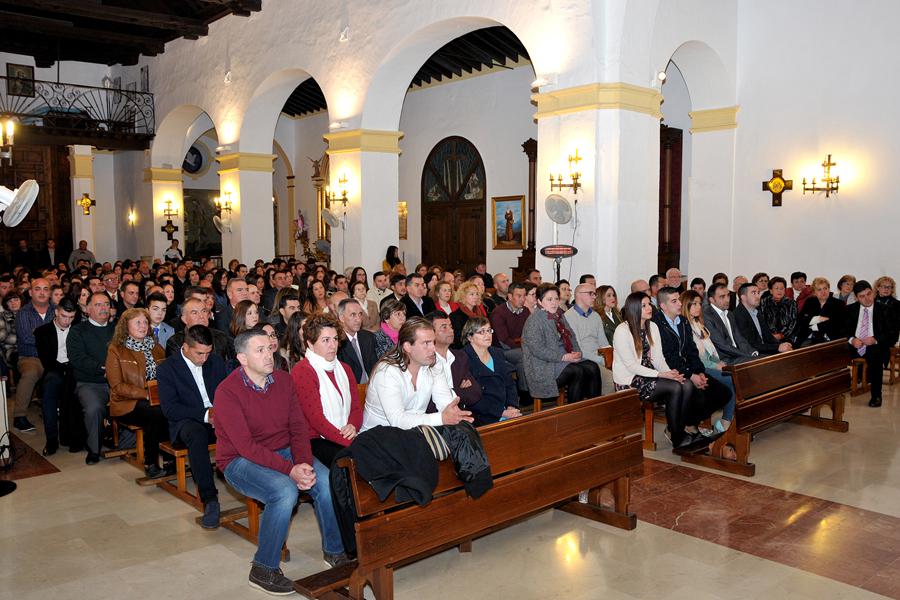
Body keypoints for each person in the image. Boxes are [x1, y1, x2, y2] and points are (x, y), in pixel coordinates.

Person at [215, 329, 349, 593]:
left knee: (325, 481)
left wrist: (303, 463)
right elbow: (246, 446)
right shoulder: (227, 392)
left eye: (270, 348)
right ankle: (263, 569)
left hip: (285, 451)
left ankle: (335, 552)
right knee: (284, 491)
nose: (269, 355)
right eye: (260, 350)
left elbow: (298, 428)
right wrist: (290, 470)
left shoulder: (284, 381)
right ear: (242, 358)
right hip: (239, 460)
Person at [613, 292, 716, 453]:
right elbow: (631, 366)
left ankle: (678, 431)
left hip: (650, 375)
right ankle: (677, 437)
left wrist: (671, 373)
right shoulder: (622, 330)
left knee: (685, 384)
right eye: (644, 306)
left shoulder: (652, 327)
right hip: (630, 380)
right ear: (634, 309)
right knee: (674, 387)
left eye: (649, 304)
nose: (649, 308)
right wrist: (662, 375)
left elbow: (658, 359)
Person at [157, 324, 227, 529]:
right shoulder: (167, 369)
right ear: (185, 347)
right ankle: (210, 499)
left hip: (217, 417)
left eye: (208, 353)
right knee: (197, 435)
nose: (204, 358)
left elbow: (227, 392)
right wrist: (205, 414)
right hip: (186, 422)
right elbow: (170, 409)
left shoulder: (215, 361)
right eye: (199, 353)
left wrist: (222, 412)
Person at [362, 317, 473, 430]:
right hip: (380, 435)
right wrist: (441, 418)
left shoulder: (434, 363)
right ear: (407, 347)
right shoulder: (387, 372)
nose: (433, 349)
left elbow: (444, 401)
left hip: (416, 433)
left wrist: (454, 414)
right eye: (426, 343)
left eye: (433, 342)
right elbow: (397, 420)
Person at [652, 288, 732, 434]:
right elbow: (668, 357)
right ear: (663, 306)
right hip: (669, 371)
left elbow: (692, 351)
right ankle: (679, 428)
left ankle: (688, 424)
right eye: (674, 301)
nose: (679, 304)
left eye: (679, 300)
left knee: (723, 393)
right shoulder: (656, 324)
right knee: (698, 395)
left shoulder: (683, 321)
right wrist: (691, 375)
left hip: (689, 369)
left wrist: (699, 372)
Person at [291, 313, 362, 470]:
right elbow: (316, 420)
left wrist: (352, 426)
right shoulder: (303, 371)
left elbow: (356, 408)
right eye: (325, 340)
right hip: (315, 439)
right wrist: (348, 441)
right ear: (310, 343)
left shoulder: (345, 369)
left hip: (345, 434)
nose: (333, 345)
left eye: (335, 339)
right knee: (357, 458)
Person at [106, 308, 169, 478]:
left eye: (145, 322)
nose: (143, 326)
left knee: (169, 409)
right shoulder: (116, 350)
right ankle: (151, 463)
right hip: (126, 403)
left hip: (156, 399)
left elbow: (167, 376)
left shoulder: (156, 347)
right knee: (155, 413)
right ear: (126, 326)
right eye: (138, 322)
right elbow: (117, 386)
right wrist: (145, 394)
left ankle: (170, 459)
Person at [522, 283, 602, 404]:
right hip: (543, 366)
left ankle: (593, 407)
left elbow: (571, 336)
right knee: (577, 371)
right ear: (539, 301)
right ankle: (574, 412)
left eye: (556, 299)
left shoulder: (558, 315)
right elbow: (538, 350)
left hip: (561, 360)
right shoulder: (534, 320)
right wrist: (563, 357)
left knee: (592, 367)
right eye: (549, 299)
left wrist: (576, 352)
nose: (554, 303)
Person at [67, 292, 115, 464]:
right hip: (90, 383)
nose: (103, 308)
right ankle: (94, 450)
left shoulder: (118, 330)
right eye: (98, 304)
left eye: (106, 304)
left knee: (138, 403)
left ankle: (130, 444)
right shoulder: (77, 331)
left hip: (118, 382)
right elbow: (77, 358)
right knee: (94, 408)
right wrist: (102, 368)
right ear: (87, 309)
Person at [681, 290, 736, 436]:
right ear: (685, 305)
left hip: (707, 364)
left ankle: (727, 420)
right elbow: (696, 357)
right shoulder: (684, 326)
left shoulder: (698, 324)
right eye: (694, 304)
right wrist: (716, 366)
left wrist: (719, 362)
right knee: (731, 379)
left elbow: (709, 353)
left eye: (699, 303)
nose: (698, 307)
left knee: (735, 375)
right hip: (697, 367)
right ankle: (725, 422)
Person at [34, 298, 78, 455]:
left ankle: (74, 437)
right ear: (56, 312)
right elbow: (47, 361)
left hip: (75, 369)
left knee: (78, 389)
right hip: (54, 369)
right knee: (49, 390)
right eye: (64, 316)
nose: (67, 321)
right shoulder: (42, 332)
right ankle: (52, 440)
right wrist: (65, 370)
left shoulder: (78, 329)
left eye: (71, 317)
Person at [459, 316, 521, 426]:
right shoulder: (463, 359)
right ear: (470, 337)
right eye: (482, 332)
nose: (487, 335)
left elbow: (510, 384)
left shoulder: (497, 353)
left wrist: (511, 406)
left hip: (506, 410)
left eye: (489, 330)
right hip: (482, 415)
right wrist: (501, 412)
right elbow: (472, 397)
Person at [13, 278, 55, 432]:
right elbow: (27, 338)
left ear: (50, 293)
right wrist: (50, 338)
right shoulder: (23, 313)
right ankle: (19, 417)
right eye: (38, 289)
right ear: (30, 292)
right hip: (31, 357)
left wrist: (38, 334)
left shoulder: (57, 310)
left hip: (55, 356)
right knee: (30, 373)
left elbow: (64, 334)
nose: (42, 293)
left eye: (46, 289)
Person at [843, 281, 893, 408]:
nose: (867, 298)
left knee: (876, 356)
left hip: (875, 345)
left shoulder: (885, 309)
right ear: (856, 298)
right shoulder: (850, 309)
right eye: (862, 296)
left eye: (869, 294)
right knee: (831, 353)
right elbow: (842, 330)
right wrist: (852, 340)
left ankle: (876, 395)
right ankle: (831, 390)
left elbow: (891, 333)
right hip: (854, 345)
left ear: (873, 292)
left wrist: (875, 339)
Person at [702, 283, 758, 365]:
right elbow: (722, 344)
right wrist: (748, 356)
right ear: (712, 300)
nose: (727, 300)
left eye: (728, 295)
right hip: (724, 359)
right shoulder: (706, 316)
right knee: (760, 362)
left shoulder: (730, 314)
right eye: (722, 297)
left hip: (738, 355)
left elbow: (739, 339)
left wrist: (752, 352)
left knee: (767, 359)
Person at [489, 282, 529, 395]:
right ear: (510, 296)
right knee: (524, 355)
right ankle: (526, 392)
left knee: (526, 358)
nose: (523, 299)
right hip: (501, 350)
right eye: (519, 296)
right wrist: (525, 347)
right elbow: (503, 341)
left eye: (524, 295)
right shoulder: (498, 313)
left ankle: (526, 391)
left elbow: (530, 333)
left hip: (520, 347)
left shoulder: (526, 311)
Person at [166, 297, 235, 361]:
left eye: (204, 311)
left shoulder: (221, 337)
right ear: (184, 319)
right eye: (194, 313)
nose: (201, 316)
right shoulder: (175, 342)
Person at [732, 283, 792, 354]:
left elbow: (768, 337)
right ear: (743, 297)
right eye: (753, 293)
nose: (758, 296)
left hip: (764, 350)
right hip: (752, 354)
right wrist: (777, 347)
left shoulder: (757, 312)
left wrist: (782, 345)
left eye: (758, 293)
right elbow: (749, 345)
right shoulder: (738, 315)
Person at [564, 283, 611, 367]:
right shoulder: (568, 317)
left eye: (595, 294)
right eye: (590, 293)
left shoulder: (595, 316)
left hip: (600, 359)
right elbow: (577, 349)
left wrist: (610, 358)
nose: (594, 297)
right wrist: (602, 361)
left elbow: (604, 343)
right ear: (578, 295)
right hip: (585, 361)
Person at [336, 298, 377, 385]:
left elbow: (375, 367)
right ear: (342, 318)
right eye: (353, 315)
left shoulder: (368, 337)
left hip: (372, 385)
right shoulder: (337, 343)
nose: (358, 319)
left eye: (360, 314)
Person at [759, 277, 798, 344]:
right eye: (776, 288)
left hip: (786, 337)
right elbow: (761, 321)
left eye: (782, 288)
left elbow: (793, 322)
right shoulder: (763, 302)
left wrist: (781, 335)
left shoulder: (791, 303)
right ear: (771, 290)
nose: (779, 291)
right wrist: (769, 335)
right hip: (767, 337)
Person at [873, 276, 900, 353]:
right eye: (884, 286)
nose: (887, 289)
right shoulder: (871, 302)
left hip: (889, 340)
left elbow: (896, 326)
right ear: (878, 288)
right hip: (871, 338)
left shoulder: (897, 304)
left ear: (892, 289)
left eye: (889, 287)